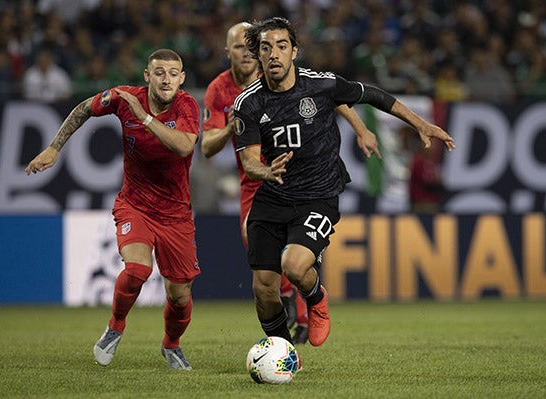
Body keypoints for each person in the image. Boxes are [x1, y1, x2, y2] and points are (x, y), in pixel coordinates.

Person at [234, 17, 455, 347]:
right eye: (266, 48)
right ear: (259, 55)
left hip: (319, 194)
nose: (274, 54)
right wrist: (265, 171)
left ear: (295, 51)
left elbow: (374, 95)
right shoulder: (248, 103)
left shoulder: (320, 84)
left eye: (282, 46)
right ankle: (283, 351)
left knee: (294, 266)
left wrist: (421, 123)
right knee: (263, 287)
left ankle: (316, 297)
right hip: (274, 195)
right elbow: (250, 160)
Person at [202, 22, 382, 345]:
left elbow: (331, 96)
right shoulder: (222, 90)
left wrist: (360, 128)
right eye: (239, 48)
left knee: (293, 260)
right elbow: (206, 148)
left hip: (299, 178)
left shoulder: (278, 73)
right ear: (229, 52)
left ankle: (303, 308)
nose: (246, 53)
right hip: (255, 177)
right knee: (262, 264)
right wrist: (233, 128)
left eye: (249, 47)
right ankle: (285, 310)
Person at [25, 49, 200, 370]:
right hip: (135, 205)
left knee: (179, 295)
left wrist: (145, 118)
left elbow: (184, 146)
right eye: (159, 72)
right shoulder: (123, 98)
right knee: (137, 270)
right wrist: (54, 147)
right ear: (147, 76)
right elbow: (82, 109)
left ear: (182, 78)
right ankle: (115, 327)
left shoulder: (187, 105)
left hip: (176, 214)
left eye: (173, 73)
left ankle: (171, 345)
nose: (166, 79)